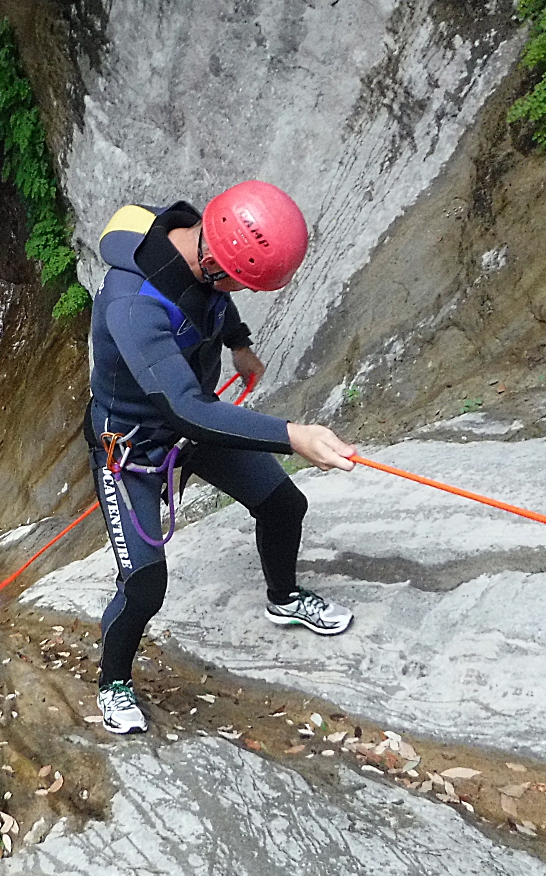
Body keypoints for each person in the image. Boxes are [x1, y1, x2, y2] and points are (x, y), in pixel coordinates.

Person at [87, 181, 355, 736]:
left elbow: (211, 295)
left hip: (190, 424)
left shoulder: (192, 243)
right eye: (242, 280)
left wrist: (237, 341)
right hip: (133, 446)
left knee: (283, 503)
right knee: (143, 583)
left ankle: (283, 598)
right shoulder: (131, 306)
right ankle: (113, 682)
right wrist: (293, 436)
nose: (244, 290)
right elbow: (185, 409)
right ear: (214, 258)